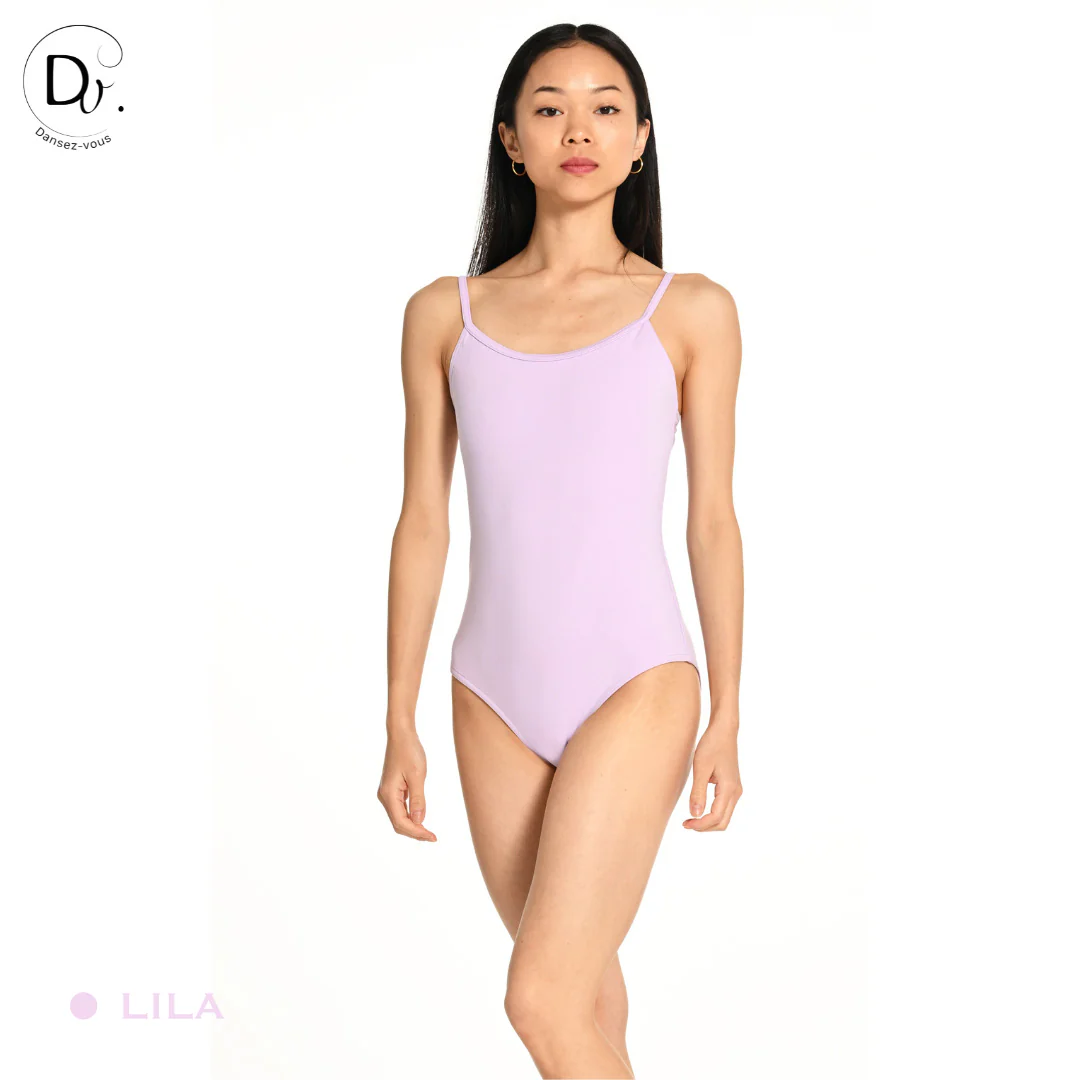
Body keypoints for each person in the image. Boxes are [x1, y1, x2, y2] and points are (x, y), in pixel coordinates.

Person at [378, 22, 743, 1079]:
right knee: (584, 1004)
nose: (578, 130)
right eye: (549, 108)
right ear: (512, 140)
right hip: (489, 694)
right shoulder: (443, 316)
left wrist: (727, 711)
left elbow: (712, 521)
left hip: (639, 679)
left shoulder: (691, 311)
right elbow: (423, 521)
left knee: (538, 1000)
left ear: (639, 141)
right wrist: (398, 717)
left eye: (604, 108)